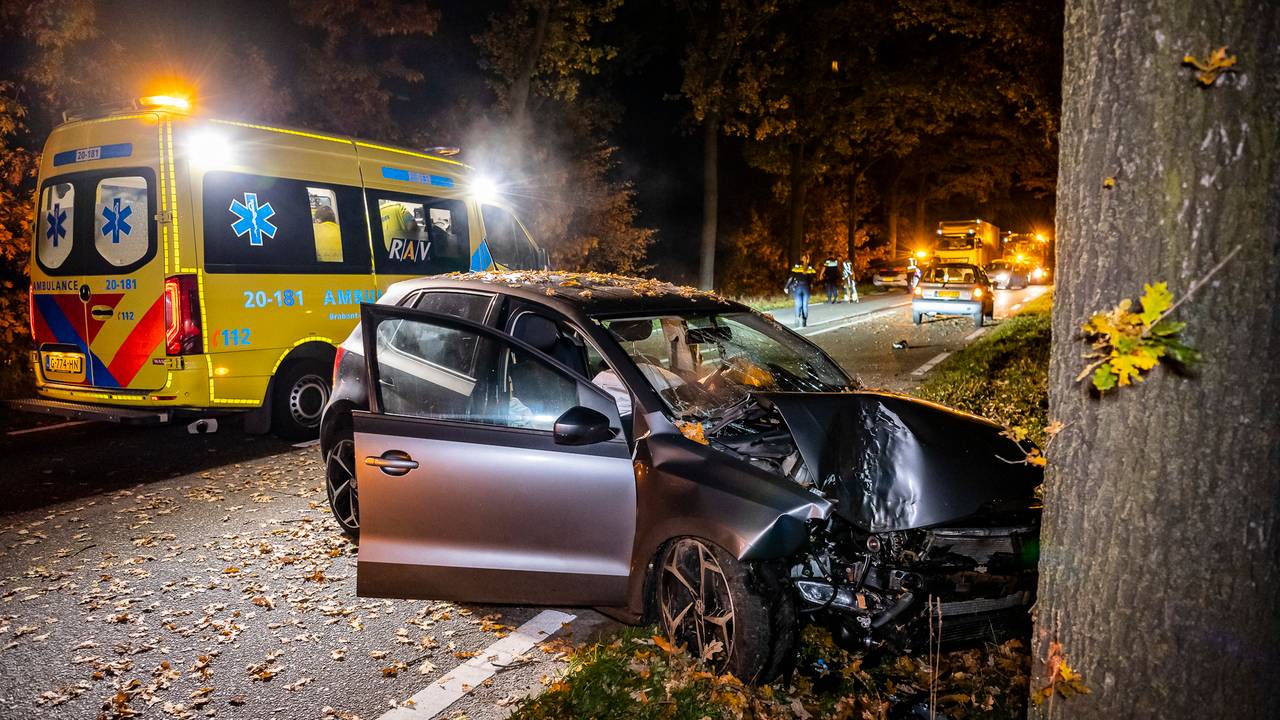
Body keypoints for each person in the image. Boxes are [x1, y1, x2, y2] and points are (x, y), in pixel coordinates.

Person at [784, 254, 817, 327]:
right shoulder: (810, 268)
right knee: (805, 305)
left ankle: (797, 318)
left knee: (798, 304)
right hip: (806, 288)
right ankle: (804, 320)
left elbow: (791, 277)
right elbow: (814, 277)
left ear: (801, 259)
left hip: (798, 287)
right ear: (808, 259)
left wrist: (786, 287)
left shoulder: (797, 267)